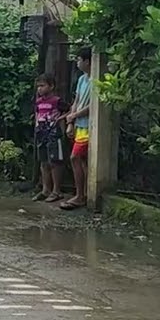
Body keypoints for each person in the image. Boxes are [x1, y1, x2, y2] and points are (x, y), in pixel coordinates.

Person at [60, 47, 93, 211]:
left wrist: (75, 115)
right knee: (83, 160)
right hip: (79, 124)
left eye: (79, 59)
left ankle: (80, 195)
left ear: (87, 61)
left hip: (88, 125)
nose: (77, 62)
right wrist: (71, 121)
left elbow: (92, 106)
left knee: (75, 157)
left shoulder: (96, 80)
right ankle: (85, 194)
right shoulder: (82, 79)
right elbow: (77, 101)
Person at [32, 73, 68, 203]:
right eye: (38, 86)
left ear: (51, 86)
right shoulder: (38, 102)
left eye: (42, 86)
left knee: (55, 162)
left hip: (53, 134)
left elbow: (69, 110)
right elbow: (37, 114)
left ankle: (56, 191)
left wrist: (60, 119)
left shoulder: (57, 101)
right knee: (43, 162)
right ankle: (46, 189)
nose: (39, 89)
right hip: (41, 134)